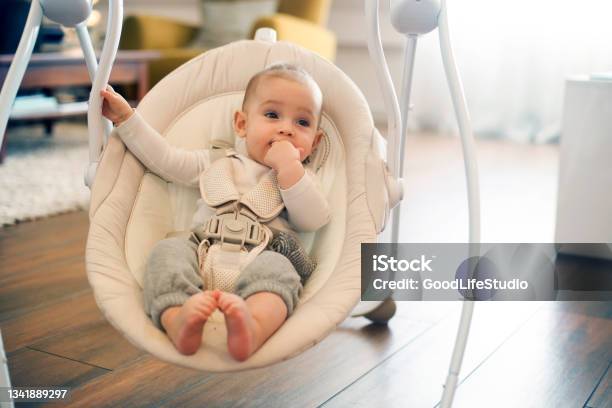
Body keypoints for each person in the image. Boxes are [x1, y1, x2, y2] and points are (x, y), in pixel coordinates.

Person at [100, 63, 330, 361]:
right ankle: (176, 319)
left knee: (282, 272)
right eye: (272, 115)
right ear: (242, 124)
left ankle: (253, 327)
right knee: (165, 254)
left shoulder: (301, 180)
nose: (286, 128)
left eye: (302, 122)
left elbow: (313, 219)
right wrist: (125, 118)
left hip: (263, 255)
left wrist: (289, 169)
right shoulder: (215, 162)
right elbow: (165, 160)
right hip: (201, 250)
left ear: (315, 142)